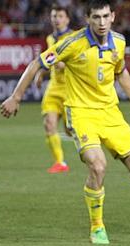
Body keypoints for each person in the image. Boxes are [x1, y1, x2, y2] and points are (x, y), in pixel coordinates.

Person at [0, 0, 130, 244]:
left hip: (110, 113)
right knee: (98, 166)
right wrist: (16, 97)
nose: (101, 22)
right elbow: (37, 63)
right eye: (96, 17)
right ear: (88, 18)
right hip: (80, 113)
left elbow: (121, 72)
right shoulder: (72, 43)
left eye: (105, 16)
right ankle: (97, 227)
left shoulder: (118, 41)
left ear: (113, 17)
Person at [34, 4, 73, 174]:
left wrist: (66, 64)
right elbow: (49, 60)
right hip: (54, 88)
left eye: (60, 16)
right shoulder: (50, 38)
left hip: (71, 89)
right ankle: (60, 162)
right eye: (54, 16)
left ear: (67, 19)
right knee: (49, 124)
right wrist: (42, 74)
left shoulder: (74, 38)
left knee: (70, 130)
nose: (56, 20)